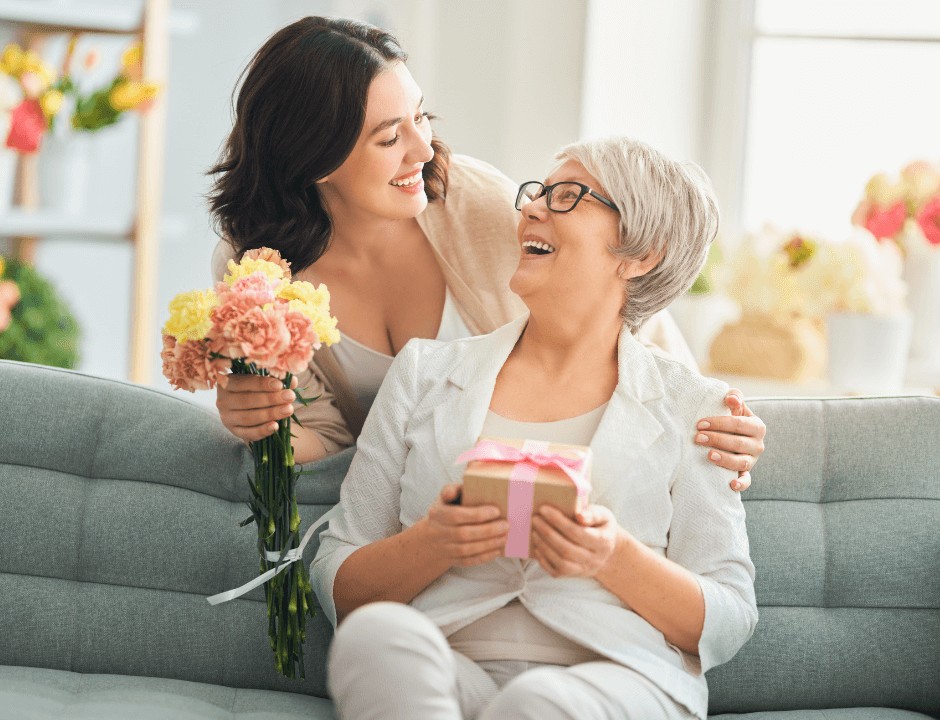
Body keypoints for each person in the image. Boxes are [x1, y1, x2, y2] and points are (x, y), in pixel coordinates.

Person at [207, 16, 766, 489]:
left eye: (420, 117)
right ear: (315, 160)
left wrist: (706, 423)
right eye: (388, 137)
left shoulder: (474, 202)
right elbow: (330, 441)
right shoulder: (255, 272)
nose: (423, 149)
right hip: (420, 502)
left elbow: (620, 304)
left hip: (552, 478)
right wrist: (261, 422)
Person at [312, 136, 757, 720]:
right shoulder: (425, 372)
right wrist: (434, 542)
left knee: (539, 701)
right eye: (537, 193)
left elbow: (728, 618)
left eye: (569, 196)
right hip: (448, 668)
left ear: (642, 253)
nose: (530, 209)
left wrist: (610, 555)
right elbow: (337, 577)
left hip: (618, 677)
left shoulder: (695, 406)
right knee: (377, 638)